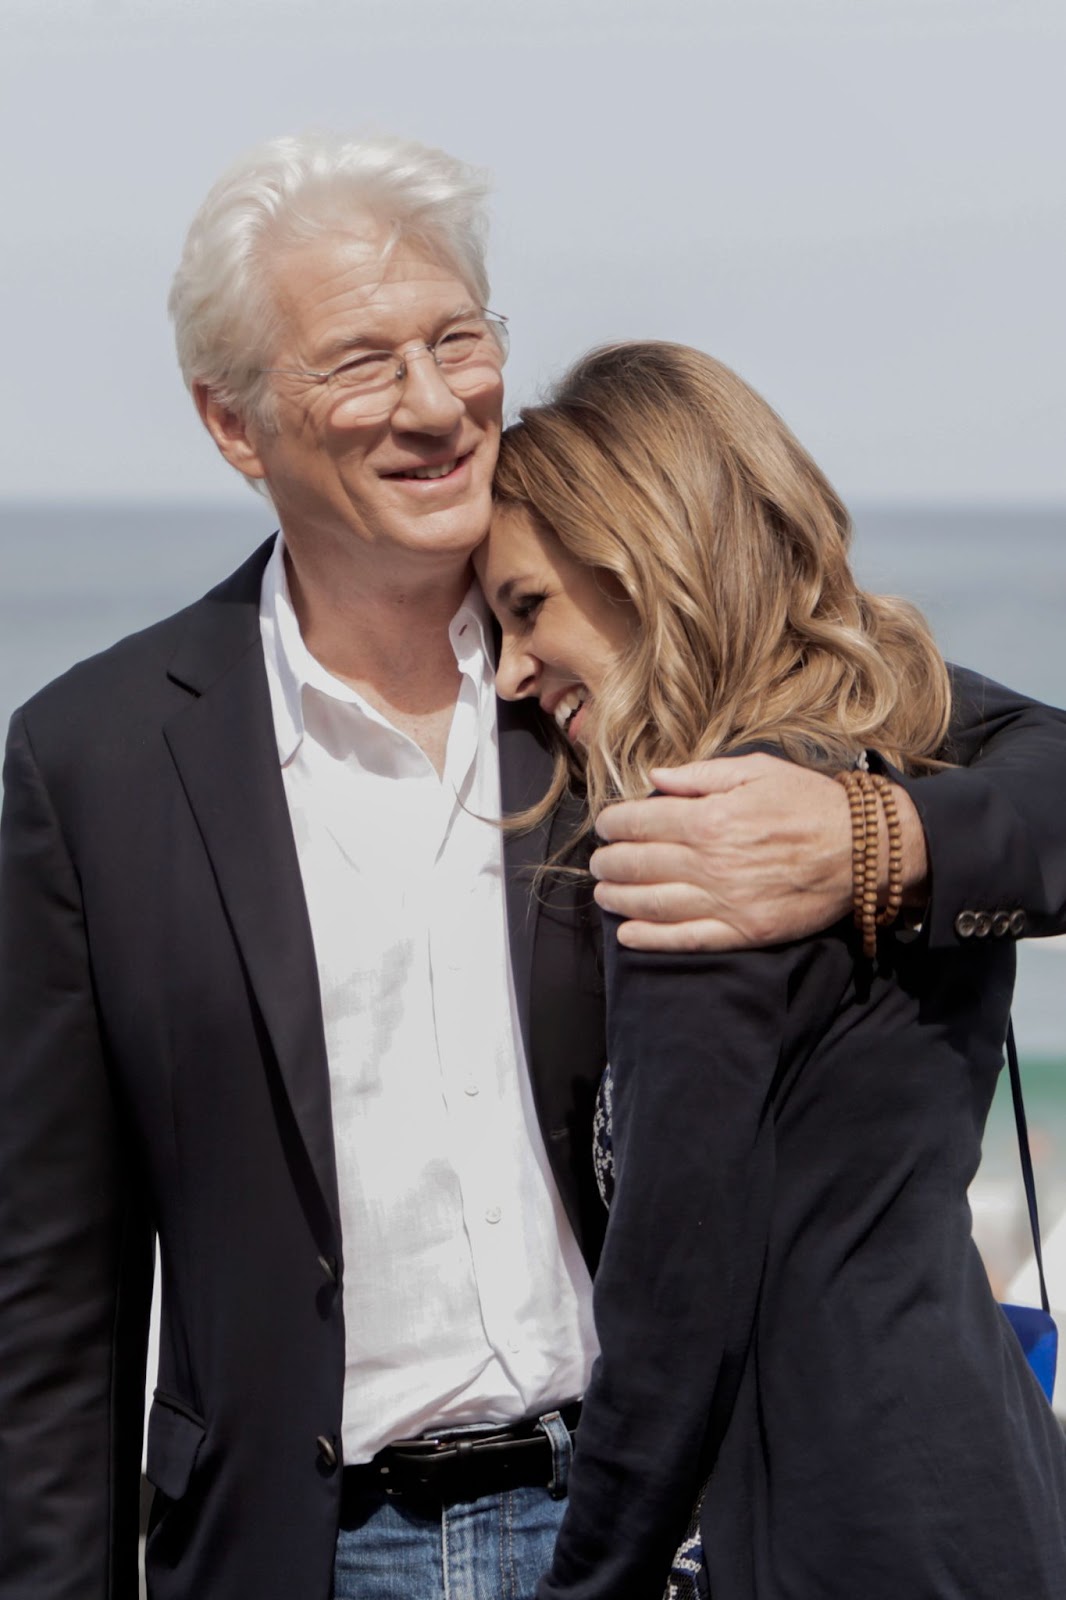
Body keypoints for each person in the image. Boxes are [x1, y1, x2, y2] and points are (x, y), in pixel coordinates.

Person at [0, 134, 1065, 1600]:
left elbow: (1039, 768)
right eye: (364, 361)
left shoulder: (620, 665)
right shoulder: (94, 758)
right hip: (302, 1553)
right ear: (235, 425)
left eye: (458, 339)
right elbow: (55, 1295)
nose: (437, 403)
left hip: (658, 1525)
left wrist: (868, 839)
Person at [478, 339, 1066, 1600]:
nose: (514, 671)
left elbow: (671, 1308)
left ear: (638, 553)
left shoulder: (714, 837)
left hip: (823, 1527)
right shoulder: (879, 738)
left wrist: (587, 1584)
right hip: (982, 1488)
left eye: (527, 607)